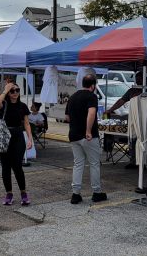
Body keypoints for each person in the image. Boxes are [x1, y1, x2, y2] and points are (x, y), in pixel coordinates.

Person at [66, 74, 107, 204]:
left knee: (78, 164)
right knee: (94, 164)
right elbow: (92, 113)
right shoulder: (91, 96)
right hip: (88, 136)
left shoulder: (72, 97)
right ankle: (96, 192)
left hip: (73, 135)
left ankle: (75, 194)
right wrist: (88, 131)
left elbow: (67, 117)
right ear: (93, 86)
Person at [0, 82, 33, 206]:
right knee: (5, 166)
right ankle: (9, 194)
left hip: (17, 136)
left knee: (17, 166)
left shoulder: (22, 106)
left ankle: (23, 193)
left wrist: (30, 139)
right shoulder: (4, 104)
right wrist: (5, 90)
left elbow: (26, 123)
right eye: (12, 91)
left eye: (17, 90)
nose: (15, 93)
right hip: (4, 135)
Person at [104, 71, 143, 170]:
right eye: (137, 79)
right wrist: (110, 110)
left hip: (145, 120)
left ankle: (143, 162)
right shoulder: (132, 90)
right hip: (134, 119)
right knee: (133, 140)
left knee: (142, 141)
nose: (138, 81)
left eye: (140, 79)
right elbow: (121, 101)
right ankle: (134, 161)